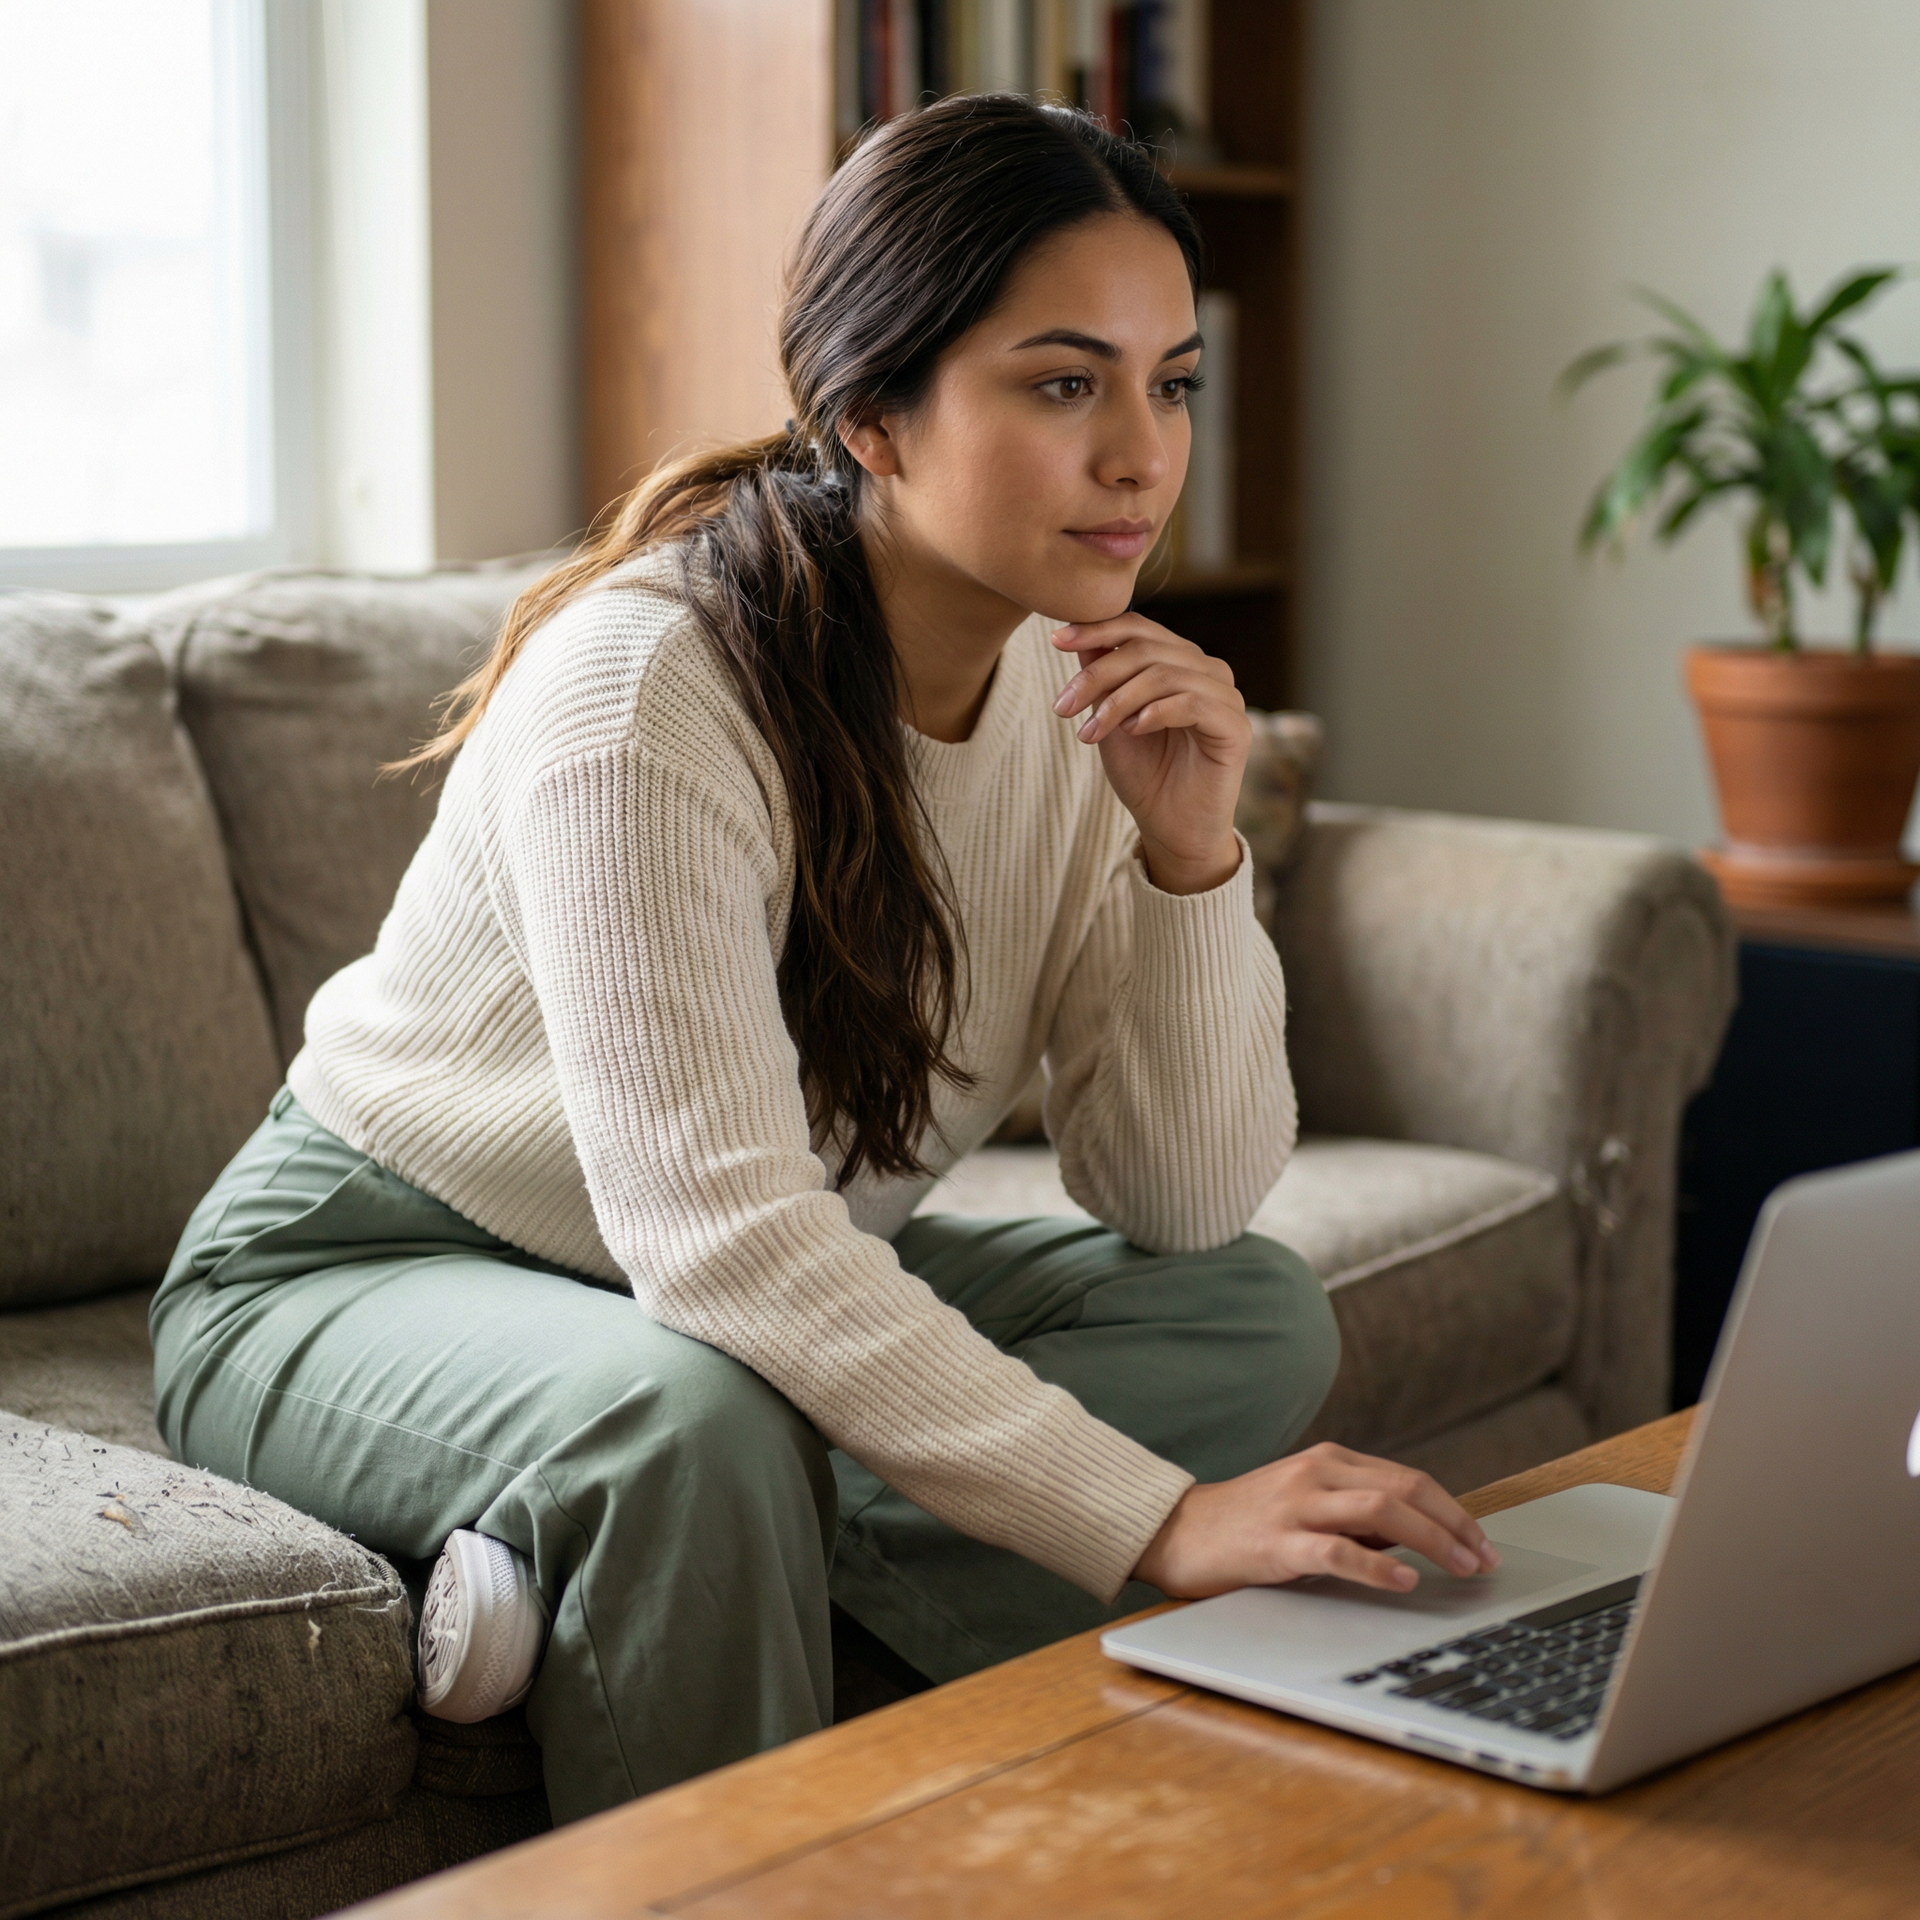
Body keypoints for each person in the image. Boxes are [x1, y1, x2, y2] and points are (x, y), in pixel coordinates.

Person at [151, 95, 1496, 1824]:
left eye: (1171, 383)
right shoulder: (648, 695)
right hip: (355, 1268)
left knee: (1248, 1311)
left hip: (666, 1314)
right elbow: (724, 1239)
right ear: (870, 413)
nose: (1144, 456)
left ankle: (612, 1566)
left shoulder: (1080, 695)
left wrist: (1190, 862)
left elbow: (1181, 1198)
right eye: (1063, 382)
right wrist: (1155, 1519)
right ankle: (695, 1653)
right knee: (684, 1418)